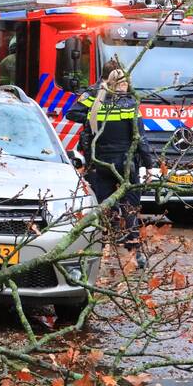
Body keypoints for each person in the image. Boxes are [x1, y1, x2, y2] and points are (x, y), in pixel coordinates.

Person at [66, 62, 155, 267]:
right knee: (130, 207)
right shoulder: (130, 105)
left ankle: (99, 251)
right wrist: (149, 165)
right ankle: (135, 254)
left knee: (102, 207)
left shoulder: (96, 104)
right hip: (125, 164)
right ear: (122, 84)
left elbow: (84, 128)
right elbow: (140, 139)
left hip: (100, 163)